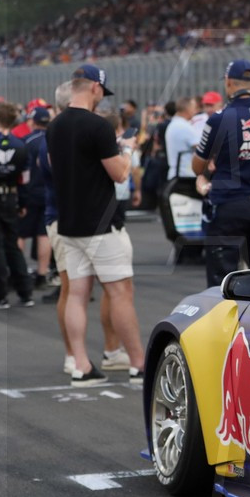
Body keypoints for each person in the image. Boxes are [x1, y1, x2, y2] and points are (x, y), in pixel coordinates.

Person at [47, 64, 145, 386]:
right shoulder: (97, 125)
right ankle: (138, 363)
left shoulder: (55, 125)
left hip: (69, 221)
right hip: (101, 223)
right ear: (94, 88)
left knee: (76, 293)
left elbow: (53, 166)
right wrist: (127, 150)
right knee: (120, 292)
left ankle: (81, 364)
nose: (102, 96)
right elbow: (119, 174)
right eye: (102, 90)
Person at [193, 59, 250, 288]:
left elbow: (198, 166)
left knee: (222, 281)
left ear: (227, 83)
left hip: (228, 206)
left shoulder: (217, 119)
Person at [0, 101, 35, 310]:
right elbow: (24, 178)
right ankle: (25, 292)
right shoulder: (21, 145)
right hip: (11, 198)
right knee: (12, 246)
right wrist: (23, 202)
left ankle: (0, 295)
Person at [21, 106, 53, 289]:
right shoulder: (53, 141)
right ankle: (42, 273)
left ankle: (19, 272)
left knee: (21, 233)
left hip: (29, 192)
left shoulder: (27, 141)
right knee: (44, 234)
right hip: (48, 193)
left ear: (33, 122)